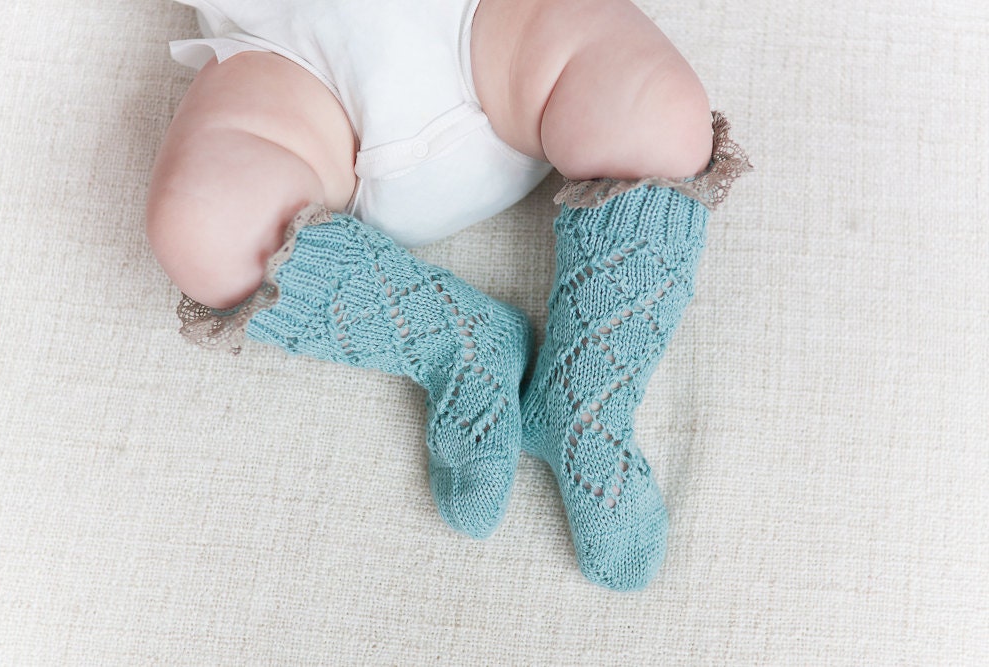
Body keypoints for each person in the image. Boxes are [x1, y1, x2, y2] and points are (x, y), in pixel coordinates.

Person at [147, 0, 751, 591]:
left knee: (657, 108)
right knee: (202, 221)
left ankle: (588, 400)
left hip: (496, 32)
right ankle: (458, 343)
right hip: (292, 66)